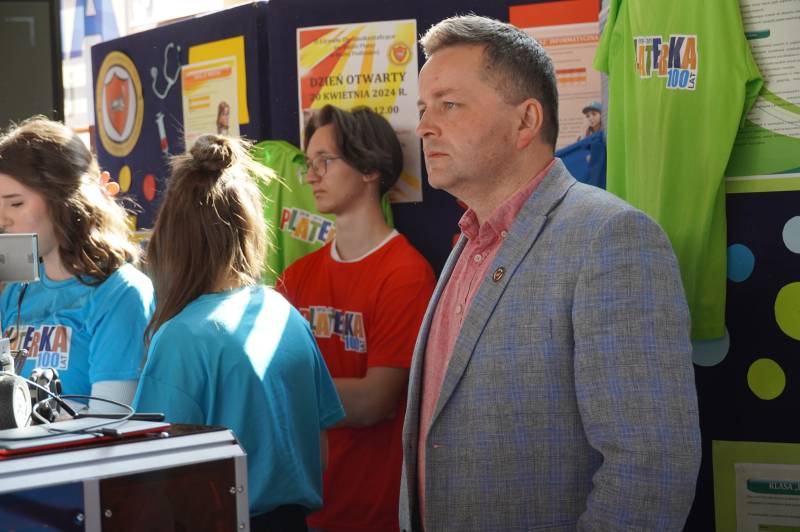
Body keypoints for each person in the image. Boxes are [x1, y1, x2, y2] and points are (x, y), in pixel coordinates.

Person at [401, 15, 702, 531]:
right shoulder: (469, 242)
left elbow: (650, 470)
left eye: (449, 105)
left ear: (526, 121)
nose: (425, 126)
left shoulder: (611, 238)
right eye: (424, 109)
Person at [133, 134, 344, 530]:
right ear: (250, 230)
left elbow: (153, 476)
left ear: (171, 238)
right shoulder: (283, 312)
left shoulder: (180, 338)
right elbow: (320, 452)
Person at [278, 105, 435, 532]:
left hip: (373, 514)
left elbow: (373, 402)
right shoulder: (297, 276)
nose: (312, 176)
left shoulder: (405, 274)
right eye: (309, 164)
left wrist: (280, 393)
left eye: (325, 161)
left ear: (369, 169)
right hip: (302, 507)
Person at [0, 116, 153, 409]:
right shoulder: (16, 290)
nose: (2, 219)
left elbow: (110, 415)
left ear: (64, 201)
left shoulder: (121, 292)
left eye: (16, 203)